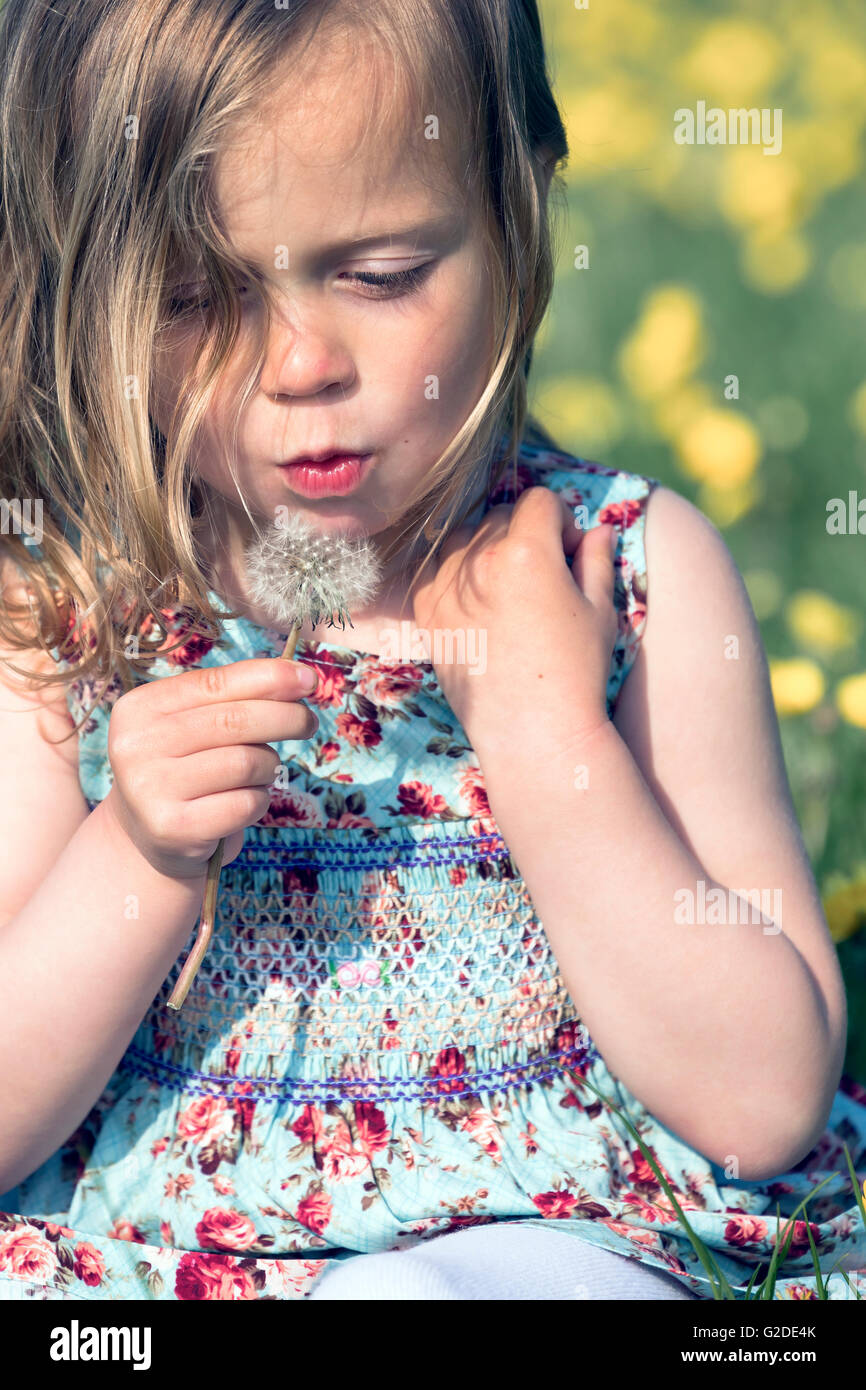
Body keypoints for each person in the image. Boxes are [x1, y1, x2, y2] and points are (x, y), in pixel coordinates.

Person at [0, 0, 863, 1303]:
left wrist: (548, 744)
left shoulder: (625, 573)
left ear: (514, 219)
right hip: (165, 1262)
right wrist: (134, 854)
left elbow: (762, 1096)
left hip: (557, 1238)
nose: (300, 361)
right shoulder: (64, 626)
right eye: (197, 295)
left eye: (383, 273)